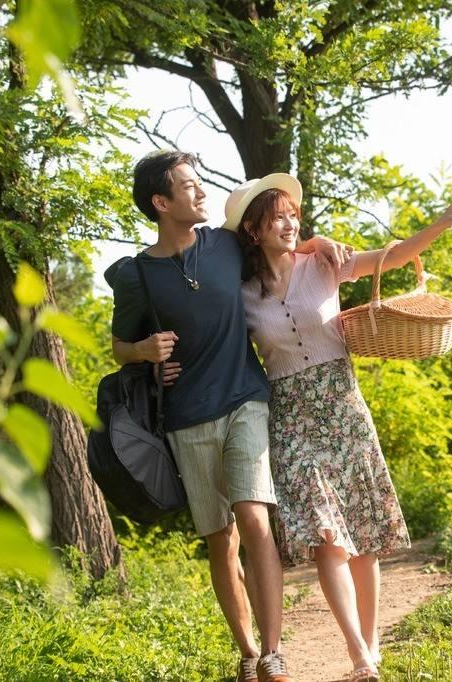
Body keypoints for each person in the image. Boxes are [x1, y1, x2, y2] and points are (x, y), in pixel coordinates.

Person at [105, 151, 349, 682]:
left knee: (255, 519)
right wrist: (145, 352)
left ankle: (272, 652)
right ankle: (245, 651)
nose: (201, 193)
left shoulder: (225, 245)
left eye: (199, 184)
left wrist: (317, 243)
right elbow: (120, 346)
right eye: (188, 187)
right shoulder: (136, 276)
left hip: (246, 398)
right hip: (186, 416)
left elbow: (275, 241)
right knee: (222, 538)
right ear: (160, 202)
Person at [229, 173, 452, 681]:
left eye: (294, 215)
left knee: (361, 532)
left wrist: (442, 223)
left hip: (343, 407)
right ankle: (358, 651)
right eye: (278, 217)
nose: (291, 223)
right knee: (326, 536)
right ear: (254, 230)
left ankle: (372, 641)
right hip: (290, 416)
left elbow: (394, 256)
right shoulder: (241, 293)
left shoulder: (323, 263)